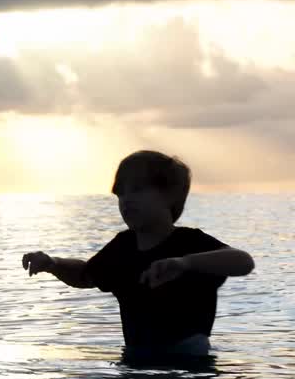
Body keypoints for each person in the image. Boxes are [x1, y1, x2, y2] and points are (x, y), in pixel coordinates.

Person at [22, 150, 255, 359]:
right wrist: (53, 263)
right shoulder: (122, 247)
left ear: (170, 195)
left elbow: (242, 261)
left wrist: (185, 263)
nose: (127, 200)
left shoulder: (189, 242)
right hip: (137, 359)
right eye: (121, 194)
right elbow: (85, 276)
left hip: (188, 363)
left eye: (137, 190)